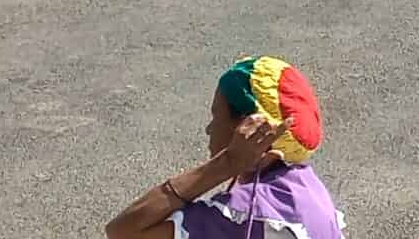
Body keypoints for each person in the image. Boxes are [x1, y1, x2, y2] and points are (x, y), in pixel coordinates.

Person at [103, 56, 342, 239]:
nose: (209, 129)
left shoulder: (243, 215)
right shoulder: (306, 187)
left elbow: (123, 231)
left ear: (248, 129)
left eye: (216, 117)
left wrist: (224, 164)